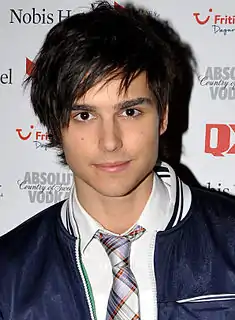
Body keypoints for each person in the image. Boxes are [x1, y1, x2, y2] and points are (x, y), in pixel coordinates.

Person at [1, 1, 235, 319]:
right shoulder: (9, 274)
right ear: (56, 126)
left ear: (163, 115)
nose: (110, 142)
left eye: (130, 111)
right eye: (84, 115)